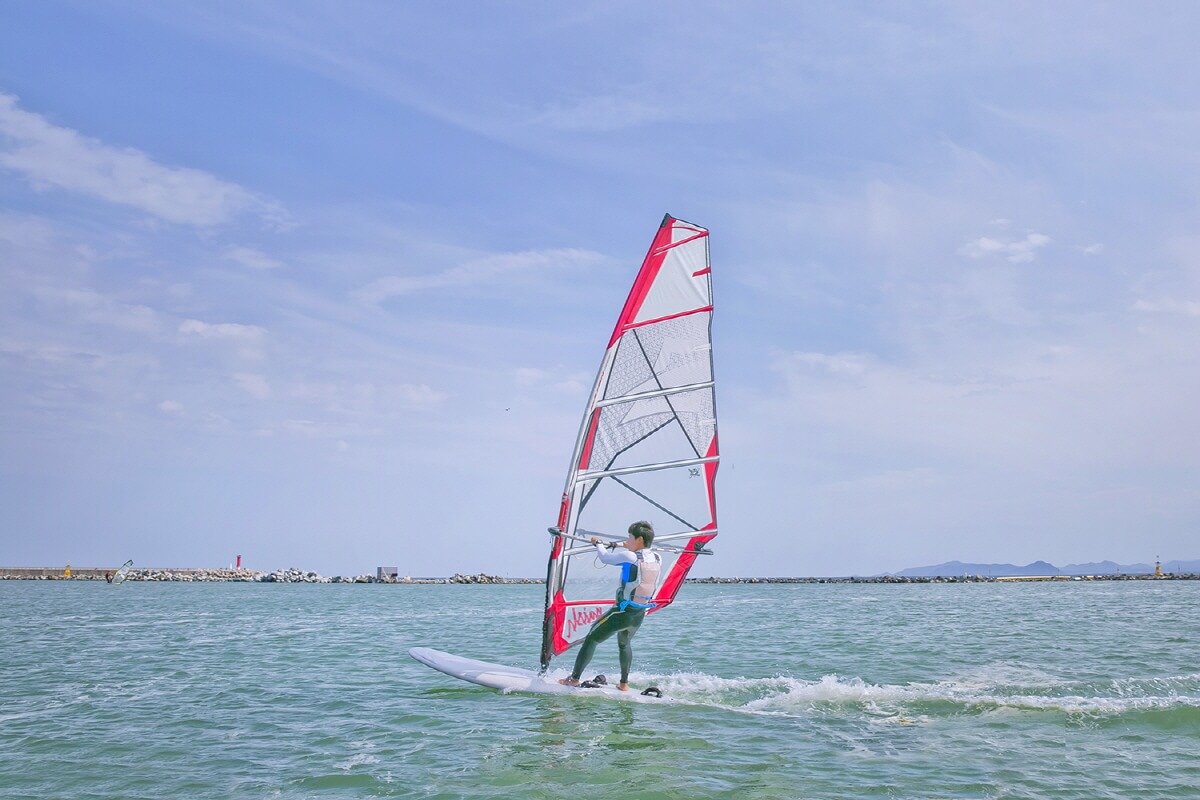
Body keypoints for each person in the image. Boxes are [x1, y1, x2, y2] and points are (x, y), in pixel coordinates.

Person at [559, 521, 661, 691]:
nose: (627, 540)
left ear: (640, 540)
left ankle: (574, 679)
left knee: (591, 638)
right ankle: (624, 684)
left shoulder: (630, 557)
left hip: (622, 612)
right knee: (624, 644)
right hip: (638, 614)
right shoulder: (657, 557)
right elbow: (640, 557)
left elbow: (605, 557)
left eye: (630, 537)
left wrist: (598, 544)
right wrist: (629, 546)